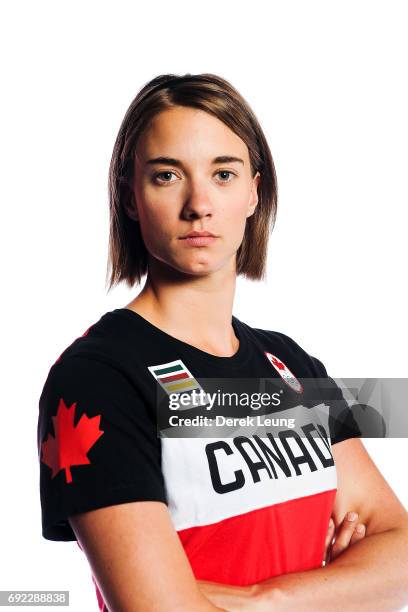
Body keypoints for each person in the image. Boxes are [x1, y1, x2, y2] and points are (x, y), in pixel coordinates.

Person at [37, 73, 408, 612]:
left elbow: (400, 553)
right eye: (167, 175)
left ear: (255, 191)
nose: (199, 204)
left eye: (223, 173)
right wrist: (343, 589)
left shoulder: (291, 364)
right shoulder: (98, 378)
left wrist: (260, 599)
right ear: (130, 196)